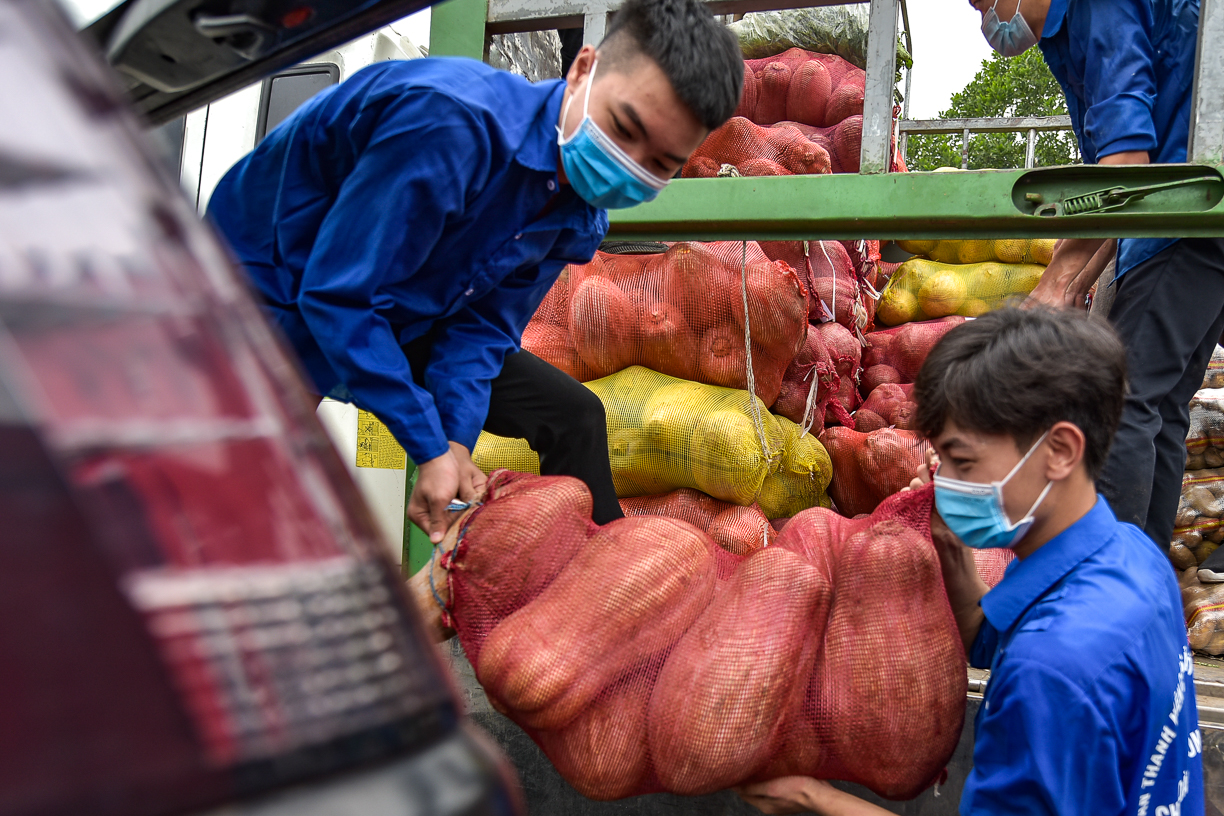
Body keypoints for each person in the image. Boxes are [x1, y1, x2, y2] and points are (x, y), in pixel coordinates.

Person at [206, 0, 743, 543]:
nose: (629, 164)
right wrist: (427, 444)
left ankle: (597, 577)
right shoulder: (449, 123)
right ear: (582, 70)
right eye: (624, 128)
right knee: (245, 499)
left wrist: (456, 443)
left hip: (400, 307)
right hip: (269, 288)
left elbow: (483, 330)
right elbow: (338, 297)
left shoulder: (578, 218)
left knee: (573, 413)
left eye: (659, 165)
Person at [736, 309, 1203, 816]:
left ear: (1060, 450)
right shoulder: (1132, 555)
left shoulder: (1049, 674)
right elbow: (986, 638)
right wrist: (950, 545)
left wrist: (813, 800)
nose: (948, 481)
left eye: (963, 461)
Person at [971, 0, 1219, 574]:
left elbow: (1127, 168)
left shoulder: (1096, 8)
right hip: (1187, 216)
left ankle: (1108, 590)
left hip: (1183, 217)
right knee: (1159, 405)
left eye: (984, 2)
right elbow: (1112, 189)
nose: (984, 18)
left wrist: (1055, 286)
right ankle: (1143, 590)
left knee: (1122, 401)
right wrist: (1068, 279)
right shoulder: (1074, 28)